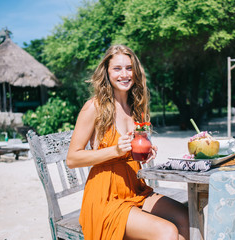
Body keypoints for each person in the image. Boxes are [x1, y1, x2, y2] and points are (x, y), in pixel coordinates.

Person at [66, 44, 189, 240]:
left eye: (129, 68)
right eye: (117, 68)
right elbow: (72, 159)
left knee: (185, 218)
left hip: (136, 189)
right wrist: (114, 150)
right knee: (167, 232)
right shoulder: (94, 107)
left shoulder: (137, 108)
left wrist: (145, 153)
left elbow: (134, 152)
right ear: (106, 72)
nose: (124, 74)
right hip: (105, 197)